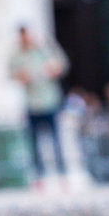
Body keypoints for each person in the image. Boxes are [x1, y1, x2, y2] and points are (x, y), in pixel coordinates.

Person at [8, 24, 68, 182]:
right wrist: (22, 76)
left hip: (49, 101)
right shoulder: (17, 55)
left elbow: (61, 65)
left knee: (55, 141)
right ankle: (39, 177)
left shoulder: (44, 50)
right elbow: (11, 74)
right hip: (32, 104)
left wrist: (51, 70)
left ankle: (62, 175)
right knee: (34, 143)